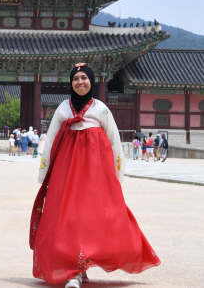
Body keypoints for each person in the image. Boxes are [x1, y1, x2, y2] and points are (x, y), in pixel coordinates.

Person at [30, 63, 160, 288]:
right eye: (75, 79)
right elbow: (50, 142)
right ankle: (74, 270)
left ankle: (81, 267)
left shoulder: (100, 109)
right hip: (66, 171)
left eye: (84, 78)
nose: (80, 82)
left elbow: (114, 143)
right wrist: (45, 174)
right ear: (71, 83)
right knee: (65, 217)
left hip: (94, 174)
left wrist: (117, 177)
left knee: (92, 217)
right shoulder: (62, 109)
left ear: (91, 81)